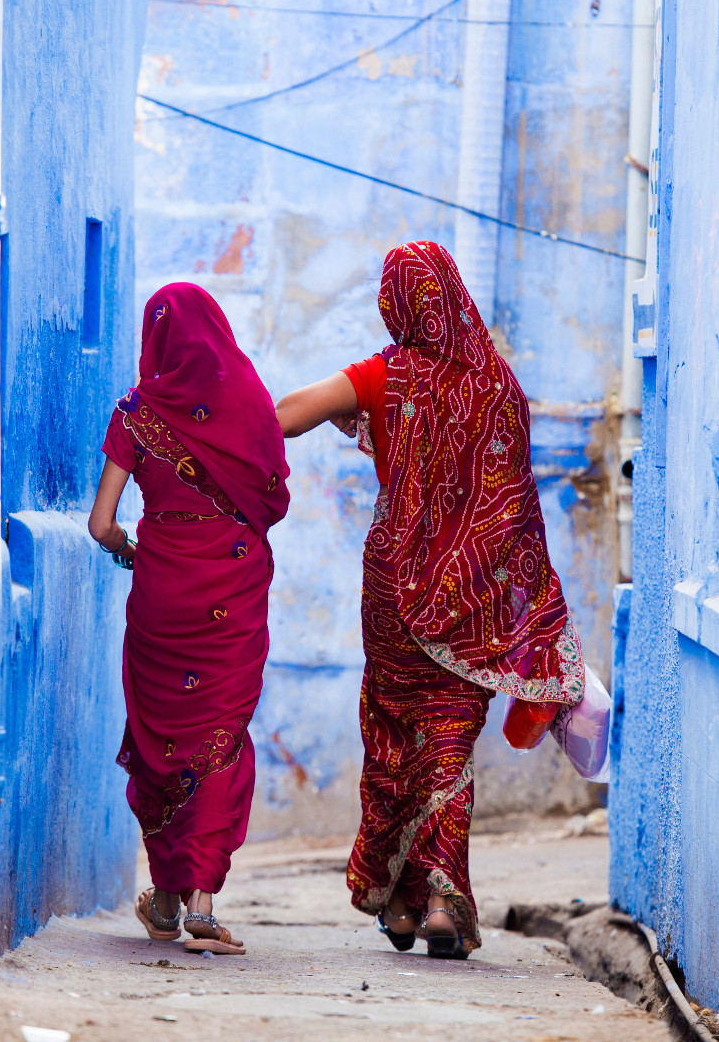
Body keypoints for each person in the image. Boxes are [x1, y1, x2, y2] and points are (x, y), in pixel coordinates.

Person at [272, 241, 585, 959]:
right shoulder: (498, 384)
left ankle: (403, 904)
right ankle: (443, 897)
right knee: (448, 740)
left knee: (394, 735)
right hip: (471, 593)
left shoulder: (387, 375)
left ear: (395, 302)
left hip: (393, 588)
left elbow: (285, 414)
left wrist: (346, 415)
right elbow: (509, 501)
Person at [86, 282, 289, 956]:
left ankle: (167, 896)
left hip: (161, 591)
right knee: (221, 734)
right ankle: (198, 901)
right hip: (231, 586)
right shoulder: (252, 404)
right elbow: (274, 499)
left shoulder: (136, 412)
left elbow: (102, 525)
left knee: (160, 741)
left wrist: (133, 554)